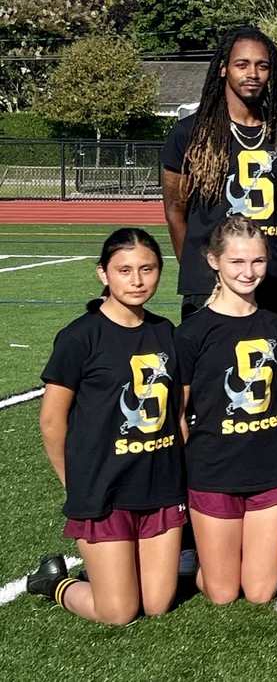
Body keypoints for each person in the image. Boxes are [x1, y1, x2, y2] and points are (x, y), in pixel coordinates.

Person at [27, 229, 186, 624]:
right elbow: (51, 420)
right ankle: (55, 582)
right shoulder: (80, 337)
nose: (136, 280)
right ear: (103, 274)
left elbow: (178, 414)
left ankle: (109, 571)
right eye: (124, 270)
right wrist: (73, 480)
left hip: (158, 485)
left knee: (156, 604)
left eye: (147, 269)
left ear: (160, 272)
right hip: (103, 488)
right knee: (117, 612)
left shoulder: (166, 333)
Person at [174, 216, 277, 604]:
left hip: (271, 468)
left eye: (258, 262)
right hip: (215, 469)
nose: (249, 272)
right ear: (214, 262)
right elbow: (178, 412)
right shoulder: (192, 332)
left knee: (260, 593)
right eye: (237, 262)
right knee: (222, 594)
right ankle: (203, 558)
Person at [162, 26, 277, 320]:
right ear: (223, 69)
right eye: (242, 64)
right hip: (211, 283)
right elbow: (176, 210)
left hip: (276, 277)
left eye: (262, 66)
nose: (252, 73)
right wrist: (200, 270)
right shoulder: (190, 133)